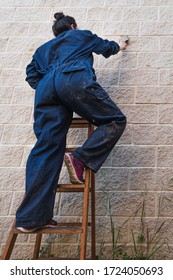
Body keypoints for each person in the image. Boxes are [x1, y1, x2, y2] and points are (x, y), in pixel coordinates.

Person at [16, 12, 127, 233]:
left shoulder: (42, 50)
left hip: (46, 91)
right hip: (74, 79)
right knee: (115, 120)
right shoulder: (80, 35)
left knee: (46, 147)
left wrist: (51, 88)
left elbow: (31, 76)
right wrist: (120, 46)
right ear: (73, 26)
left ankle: (30, 219)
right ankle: (80, 158)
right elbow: (106, 47)